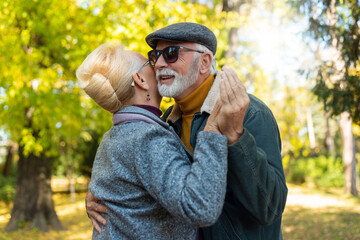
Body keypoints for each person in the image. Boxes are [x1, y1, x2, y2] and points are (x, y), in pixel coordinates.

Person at [87, 22, 288, 239]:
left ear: (204, 62)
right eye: (155, 56)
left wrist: (236, 138)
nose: (159, 64)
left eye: (171, 54)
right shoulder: (165, 124)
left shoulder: (250, 113)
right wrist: (105, 194)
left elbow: (270, 208)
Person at [77, 43, 249, 239]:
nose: (158, 65)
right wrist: (213, 131)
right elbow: (201, 208)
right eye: (150, 63)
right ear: (140, 79)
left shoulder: (114, 136)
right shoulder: (146, 138)